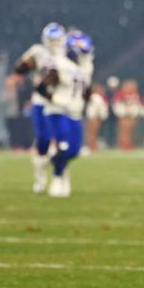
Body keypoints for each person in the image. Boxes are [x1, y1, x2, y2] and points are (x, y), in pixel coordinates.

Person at [39, 31, 93, 198]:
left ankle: (53, 160)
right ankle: (57, 177)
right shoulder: (58, 63)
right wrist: (56, 99)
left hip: (75, 113)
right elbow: (42, 87)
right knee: (63, 145)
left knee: (74, 151)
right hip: (58, 111)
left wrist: (89, 101)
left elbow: (85, 90)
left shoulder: (86, 66)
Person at [13, 22, 66, 193]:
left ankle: (60, 177)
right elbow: (19, 69)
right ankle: (40, 174)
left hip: (59, 101)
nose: (55, 43)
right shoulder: (38, 52)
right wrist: (26, 65)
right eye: (52, 39)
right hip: (41, 100)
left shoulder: (67, 54)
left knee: (62, 141)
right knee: (43, 139)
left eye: (57, 39)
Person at [84, 82, 109, 152]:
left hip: (95, 117)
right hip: (94, 117)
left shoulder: (97, 97)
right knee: (92, 132)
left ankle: (93, 145)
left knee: (94, 132)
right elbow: (97, 108)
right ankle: (91, 145)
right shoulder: (95, 97)